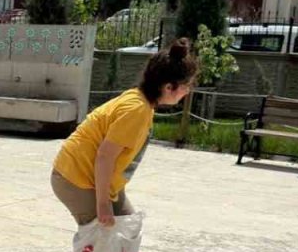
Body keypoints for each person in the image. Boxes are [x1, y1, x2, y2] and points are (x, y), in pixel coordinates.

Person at [52, 37, 199, 226]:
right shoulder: (137, 110)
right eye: (186, 86)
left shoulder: (140, 101)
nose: (188, 91)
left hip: (93, 176)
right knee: (103, 241)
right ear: (169, 87)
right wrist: (103, 204)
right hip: (76, 178)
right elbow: (105, 156)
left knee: (126, 231)